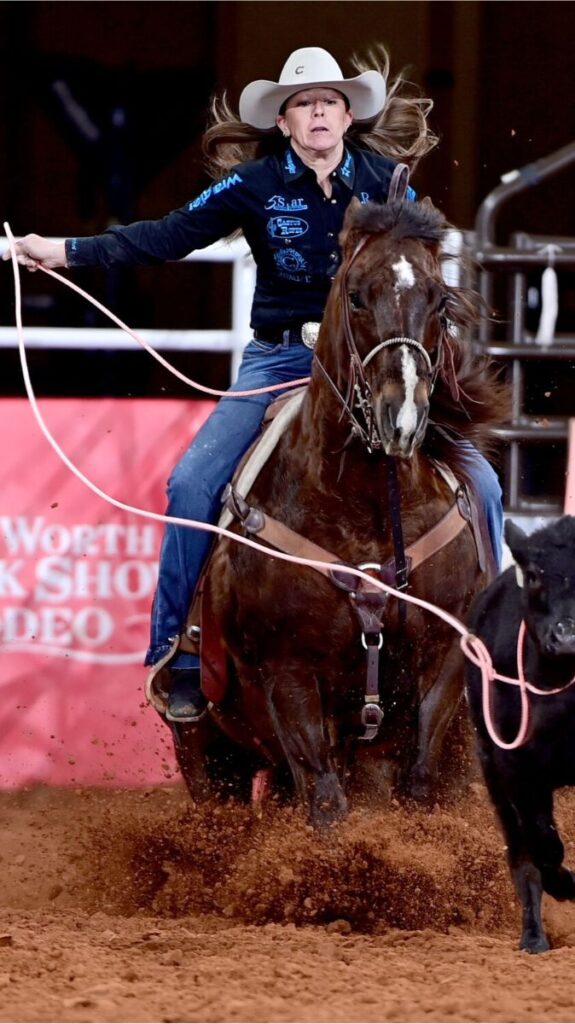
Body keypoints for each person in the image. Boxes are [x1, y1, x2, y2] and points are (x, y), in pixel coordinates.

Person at [5, 45, 503, 722]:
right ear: (285, 121)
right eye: (303, 103)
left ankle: (495, 642)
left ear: (347, 113)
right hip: (280, 361)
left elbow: (416, 268)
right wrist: (61, 250)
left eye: (327, 100)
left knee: (483, 483)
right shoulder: (256, 185)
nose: (317, 112)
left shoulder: (388, 182)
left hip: (376, 361)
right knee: (191, 483)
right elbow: (168, 235)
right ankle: (178, 650)